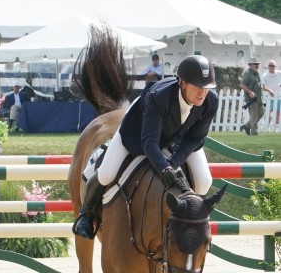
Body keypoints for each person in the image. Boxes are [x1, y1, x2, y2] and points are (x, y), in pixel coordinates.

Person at [74, 55, 218, 239]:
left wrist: (173, 163)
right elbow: (149, 142)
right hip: (137, 130)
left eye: (206, 88)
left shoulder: (210, 102)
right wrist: (164, 169)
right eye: (198, 87)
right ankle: (86, 215)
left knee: (205, 181)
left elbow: (194, 139)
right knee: (106, 174)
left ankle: (195, 222)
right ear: (183, 83)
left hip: (177, 138)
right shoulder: (160, 96)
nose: (202, 93)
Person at [239, 57, 265, 136]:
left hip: (259, 98)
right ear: (250, 65)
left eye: (257, 64)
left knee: (261, 113)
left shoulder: (256, 73)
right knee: (254, 115)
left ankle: (247, 126)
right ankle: (254, 132)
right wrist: (250, 92)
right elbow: (242, 85)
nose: (256, 65)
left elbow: (259, 85)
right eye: (255, 64)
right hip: (251, 99)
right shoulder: (247, 73)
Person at [261, 60, 281, 130]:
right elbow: (263, 87)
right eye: (270, 65)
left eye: (273, 66)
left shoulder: (279, 73)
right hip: (269, 97)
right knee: (268, 112)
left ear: (275, 67)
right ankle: (266, 127)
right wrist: (269, 90)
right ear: (268, 67)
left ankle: (275, 128)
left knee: (278, 112)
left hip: (279, 96)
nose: (272, 67)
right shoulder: (265, 75)